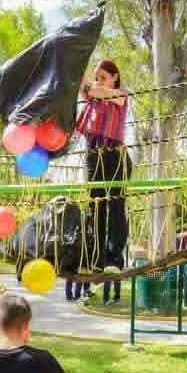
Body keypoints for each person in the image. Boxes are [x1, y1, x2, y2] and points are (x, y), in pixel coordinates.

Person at [76, 58, 132, 273]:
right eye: (96, 77)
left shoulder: (121, 95)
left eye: (104, 77)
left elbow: (99, 92)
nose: (99, 81)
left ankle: (114, 260)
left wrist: (91, 86)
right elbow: (80, 81)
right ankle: (93, 259)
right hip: (93, 154)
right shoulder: (91, 96)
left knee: (115, 206)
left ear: (115, 77)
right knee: (94, 205)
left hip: (114, 155)